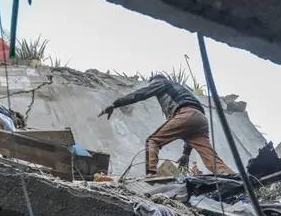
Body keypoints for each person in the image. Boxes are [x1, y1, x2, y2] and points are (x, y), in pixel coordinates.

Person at [99, 74, 234, 176]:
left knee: (153, 141)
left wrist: (115, 104)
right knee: (211, 158)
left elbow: (141, 94)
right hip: (200, 119)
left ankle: (151, 176)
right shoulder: (181, 90)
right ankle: (235, 179)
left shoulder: (161, 82)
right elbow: (190, 129)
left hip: (185, 113)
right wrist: (186, 153)